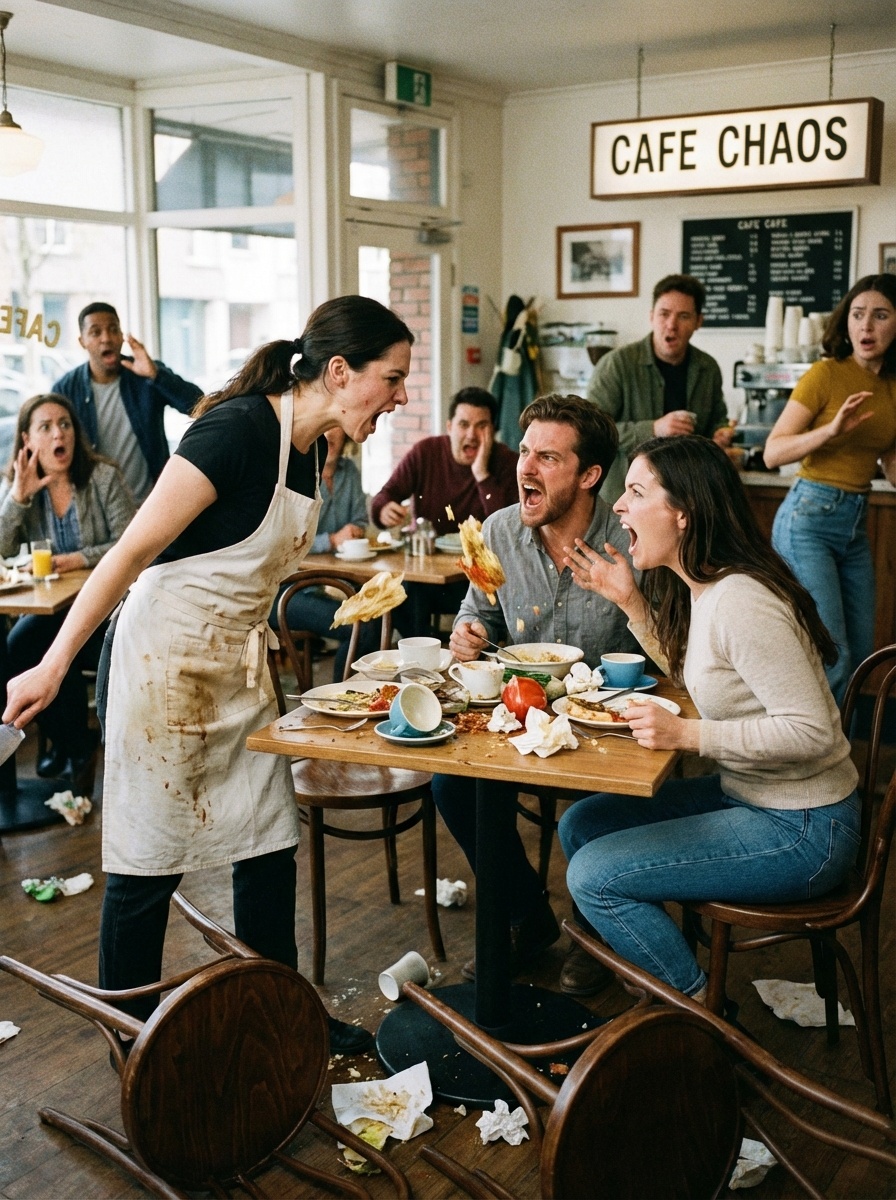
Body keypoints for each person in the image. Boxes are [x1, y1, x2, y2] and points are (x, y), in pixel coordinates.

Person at [5, 295, 414, 1055]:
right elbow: (128, 553)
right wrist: (53, 664)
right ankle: (130, 1043)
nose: (398, 398)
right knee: (147, 859)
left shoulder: (313, 448)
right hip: (168, 665)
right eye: (390, 380)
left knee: (267, 846)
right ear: (338, 371)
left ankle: (283, 1013)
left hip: (237, 665)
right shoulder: (235, 431)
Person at [557, 436, 859, 1003]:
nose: (618, 506)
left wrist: (688, 735)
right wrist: (629, 601)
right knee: (583, 824)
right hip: (755, 798)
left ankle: (698, 1014)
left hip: (807, 828)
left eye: (635, 492)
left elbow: (814, 730)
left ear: (683, 514)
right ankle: (659, 973)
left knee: (593, 875)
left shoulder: (741, 600)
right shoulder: (708, 586)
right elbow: (704, 676)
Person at [431, 394, 639, 983]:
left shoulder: (628, 540)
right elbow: (479, 617)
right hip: (518, 718)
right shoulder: (497, 531)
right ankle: (527, 916)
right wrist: (467, 635)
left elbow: (662, 653)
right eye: (524, 451)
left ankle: (595, 932)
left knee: (610, 795)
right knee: (453, 786)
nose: (525, 467)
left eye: (547, 457)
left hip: (609, 725)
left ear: (589, 475)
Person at [765, 274, 896, 704]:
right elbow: (773, 452)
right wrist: (832, 430)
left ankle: (840, 764)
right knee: (834, 656)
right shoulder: (825, 374)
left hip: (853, 526)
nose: (867, 327)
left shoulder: (892, 387)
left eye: (880, 315)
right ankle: (816, 761)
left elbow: (891, 464)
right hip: (808, 520)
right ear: (846, 322)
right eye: (858, 315)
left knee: (861, 659)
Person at [0, 393, 136, 785]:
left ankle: (72, 748)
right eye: (46, 427)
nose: (59, 433)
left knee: (55, 646)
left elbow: (133, 542)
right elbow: (2, 550)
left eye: (65, 424)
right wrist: (18, 498)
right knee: (20, 645)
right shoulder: (25, 488)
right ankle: (73, 743)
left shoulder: (103, 477)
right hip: (56, 610)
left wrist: (79, 558)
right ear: (28, 440)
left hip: (109, 610)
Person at [371, 386, 519, 636]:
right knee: (400, 595)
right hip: (428, 577)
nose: (471, 435)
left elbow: (507, 528)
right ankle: (428, 652)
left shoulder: (508, 462)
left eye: (481, 426)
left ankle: (447, 649)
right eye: (463, 424)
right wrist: (385, 509)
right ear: (450, 427)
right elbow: (384, 496)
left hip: (480, 580)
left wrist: (482, 475)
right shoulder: (425, 453)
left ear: (493, 431)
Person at [586, 274, 732, 503]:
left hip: (687, 497)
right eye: (664, 314)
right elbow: (591, 433)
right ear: (652, 316)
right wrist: (653, 429)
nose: (671, 325)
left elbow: (718, 419)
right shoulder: (616, 364)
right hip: (624, 500)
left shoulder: (708, 368)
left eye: (683, 316)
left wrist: (721, 433)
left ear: (698, 321)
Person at [52, 303, 203, 503]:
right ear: (83, 341)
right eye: (96, 332)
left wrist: (155, 375)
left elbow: (199, 406)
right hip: (98, 508)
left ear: (122, 335)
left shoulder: (146, 374)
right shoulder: (66, 389)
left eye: (113, 329)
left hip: (151, 504)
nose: (106, 338)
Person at [269, 434, 379, 681]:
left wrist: (355, 531)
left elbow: (360, 518)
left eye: (335, 428)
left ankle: (365, 697)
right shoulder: (294, 472)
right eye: (324, 428)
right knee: (362, 626)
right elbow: (284, 540)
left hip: (329, 582)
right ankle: (344, 699)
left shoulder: (348, 470)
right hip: (285, 590)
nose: (329, 435)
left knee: (378, 615)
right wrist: (330, 540)